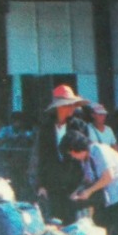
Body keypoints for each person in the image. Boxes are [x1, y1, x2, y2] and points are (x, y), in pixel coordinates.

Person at [63, 128, 118, 235]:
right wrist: (77, 192)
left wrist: (89, 192)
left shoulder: (99, 151)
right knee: (102, 234)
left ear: (77, 148)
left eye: (72, 153)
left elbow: (108, 177)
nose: (73, 157)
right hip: (107, 200)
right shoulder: (86, 160)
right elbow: (89, 180)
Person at [28, 84, 91, 224]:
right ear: (59, 107)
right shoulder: (45, 129)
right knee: (55, 223)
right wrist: (40, 185)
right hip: (53, 185)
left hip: (75, 184)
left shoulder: (80, 127)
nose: (72, 108)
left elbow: (87, 155)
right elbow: (40, 157)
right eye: (68, 105)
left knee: (75, 224)